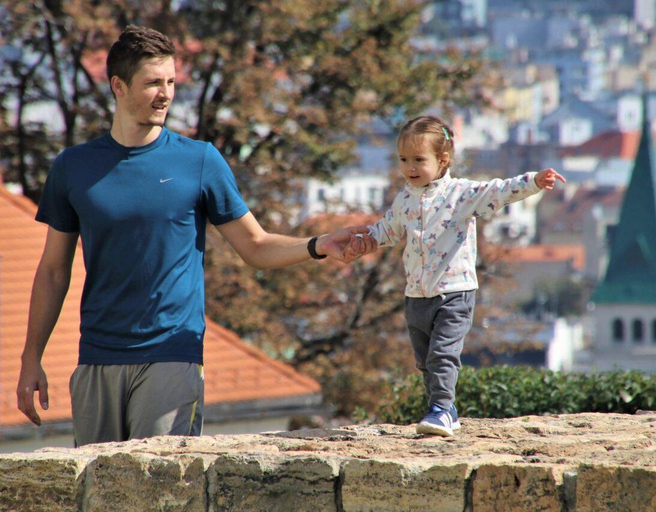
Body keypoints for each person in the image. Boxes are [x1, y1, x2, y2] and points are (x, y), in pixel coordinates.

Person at [16, 25, 376, 446]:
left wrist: (318, 245)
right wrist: (30, 358)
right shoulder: (72, 168)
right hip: (97, 357)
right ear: (118, 86)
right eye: (153, 82)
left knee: (157, 489)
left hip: (172, 355)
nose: (166, 93)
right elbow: (54, 271)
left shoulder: (200, 161)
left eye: (171, 82)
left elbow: (255, 245)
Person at [345, 115, 565, 437]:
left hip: (454, 292)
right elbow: (387, 228)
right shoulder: (405, 198)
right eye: (404, 159)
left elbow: (499, 191)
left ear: (443, 160)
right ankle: (447, 409)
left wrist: (533, 181)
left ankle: (439, 411)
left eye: (419, 160)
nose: (410, 167)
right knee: (425, 362)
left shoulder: (461, 194)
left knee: (443, 354)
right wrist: (366, 240)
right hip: (416, 294)